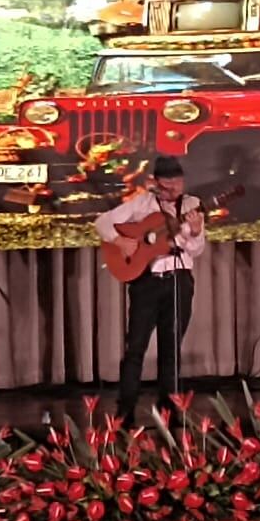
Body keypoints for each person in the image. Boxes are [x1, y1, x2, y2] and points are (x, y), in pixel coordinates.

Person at [95, 155, 207, 423]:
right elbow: (102, 223)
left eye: (177, 182)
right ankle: (125, 411)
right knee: (135, 348)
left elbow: (196, 250)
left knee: (171, 349)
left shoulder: (192, 205)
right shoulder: (142, 203)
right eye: (167, 183)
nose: (173, 188)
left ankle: (169, 411)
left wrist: (194, 232)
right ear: (157, 183)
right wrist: (120, 241)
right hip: (147, 282)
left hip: (179, 280)